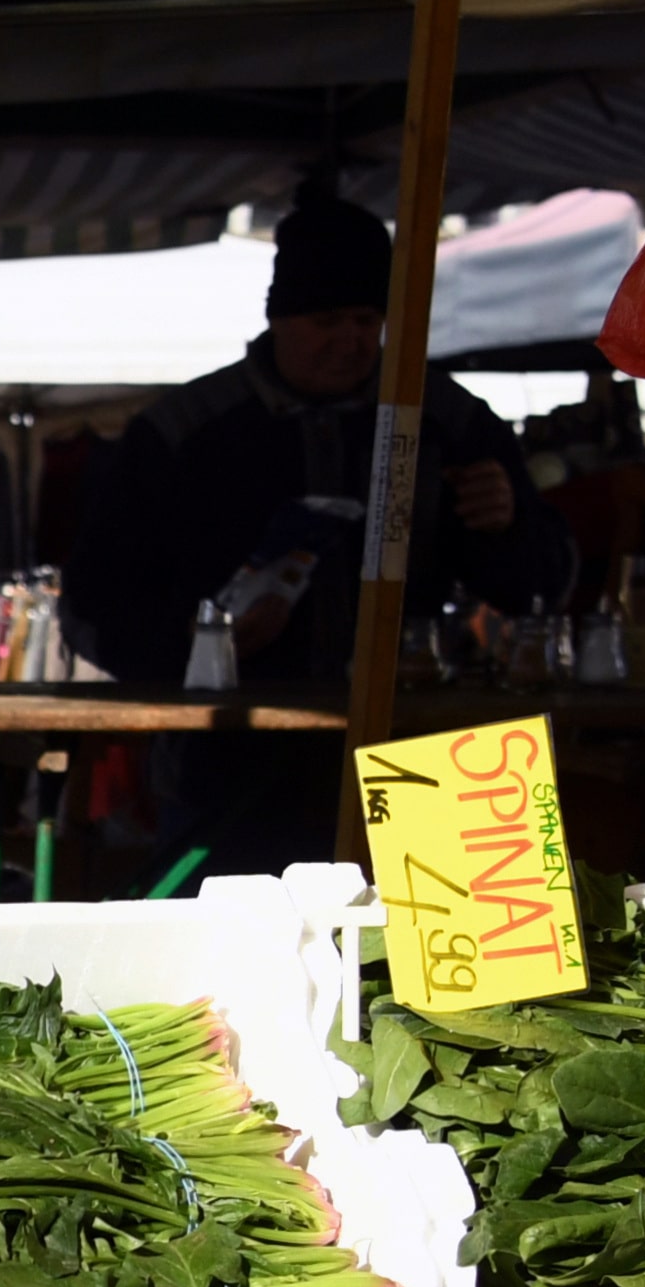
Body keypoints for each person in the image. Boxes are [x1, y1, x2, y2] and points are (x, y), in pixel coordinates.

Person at [67, 190, 575, 866]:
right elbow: (91, 608)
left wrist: (506, 525)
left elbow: (543, 589)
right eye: (327, 320)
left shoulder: (447, 420)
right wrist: (197, 646)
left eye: (367, 320)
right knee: (246, 964)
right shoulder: (182, 433)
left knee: (468, 965)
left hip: (431, 744)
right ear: (279, 319)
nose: (351, 341)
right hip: (236, 756)